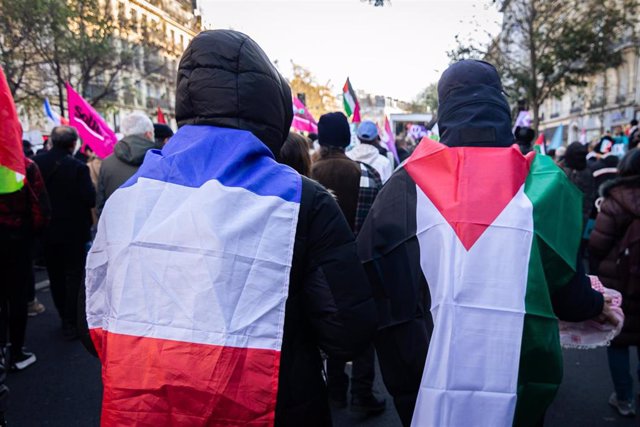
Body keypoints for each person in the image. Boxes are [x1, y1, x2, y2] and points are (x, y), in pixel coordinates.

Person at [82, 29, 377, 426]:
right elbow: (348, 333)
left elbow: (94, 325)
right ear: (272, 107)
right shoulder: (302, 200)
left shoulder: (127, 199)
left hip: (149, 410)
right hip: (276, 405)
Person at [356, 60, 614, 427]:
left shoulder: (403, 184)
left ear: (444, 111)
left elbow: (370, 279)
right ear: (500, 106)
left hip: (427, 373)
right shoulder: (542, 183)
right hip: (517, 375)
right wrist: (595, 303)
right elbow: (566, 289)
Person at [310, 112, 385, 415]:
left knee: (325, 331)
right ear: (346, 138)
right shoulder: (368, 174)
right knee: (364, 333)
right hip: (362, 265)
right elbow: (380, 225)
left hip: (318, 273)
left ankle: (335, 391)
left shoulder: (307, 174)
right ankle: (362, 395)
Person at [589, 148, 640, 417]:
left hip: (619, 280)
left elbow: (598, 244)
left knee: (618, 339)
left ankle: (624, 398)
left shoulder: (613, 200)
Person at [33, 126, 95, 340]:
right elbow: (90, 199)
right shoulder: (78, 167)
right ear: (73, 144)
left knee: (55, 274)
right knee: (74, 275)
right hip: (74, 231)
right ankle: (71, 320)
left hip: (47, 230)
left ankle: (63, 315)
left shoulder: (37, 163)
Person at [0, 156, 49, 369]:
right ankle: (16, 352)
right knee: (17, 297)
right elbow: (41, 208)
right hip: (17, 239)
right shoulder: (25, 165)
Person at [96, 111, 156, 215]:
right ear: (149, 134)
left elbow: (101, 206)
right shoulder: (160, 160)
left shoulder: (106, 163)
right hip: (152, 228)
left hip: (117, 227)